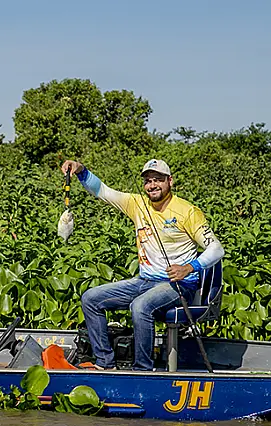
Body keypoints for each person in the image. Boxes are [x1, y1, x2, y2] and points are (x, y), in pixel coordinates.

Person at [61, 158, 224, 371]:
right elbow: (102, 190)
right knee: (91, 299)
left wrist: (189, 268)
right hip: (144, 281)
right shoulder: (136, 204)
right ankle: (104, 362)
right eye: (148, 181)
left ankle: (142, 368)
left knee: (140, 307)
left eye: (158, 180)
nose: (152, 185)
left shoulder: (188, 211)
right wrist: (80, 170)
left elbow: (216, 249)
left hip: (179, 285)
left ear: (170, 181)